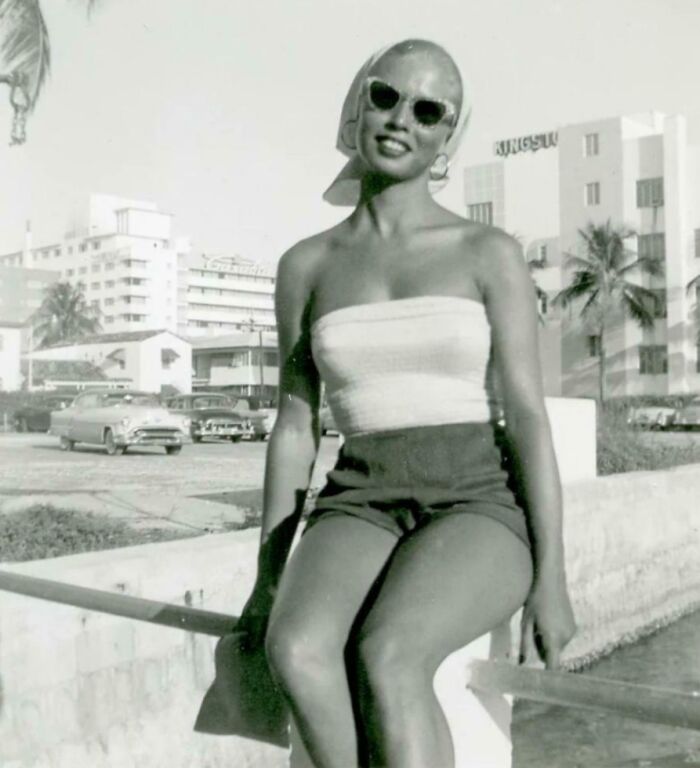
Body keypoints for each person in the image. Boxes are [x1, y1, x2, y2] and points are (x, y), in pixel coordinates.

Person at [236, 38, 576, 768]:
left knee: (389, 653)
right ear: (358, 103)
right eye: (386, 96)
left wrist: (553, 576)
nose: (401, 120)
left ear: (447, 137)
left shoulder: (487, 252)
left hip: (476, 500)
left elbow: (527, 418)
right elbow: (295, 426)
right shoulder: (307, 265)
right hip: (359, 496)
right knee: (294, 648)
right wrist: (267, 582)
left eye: (429, 111)